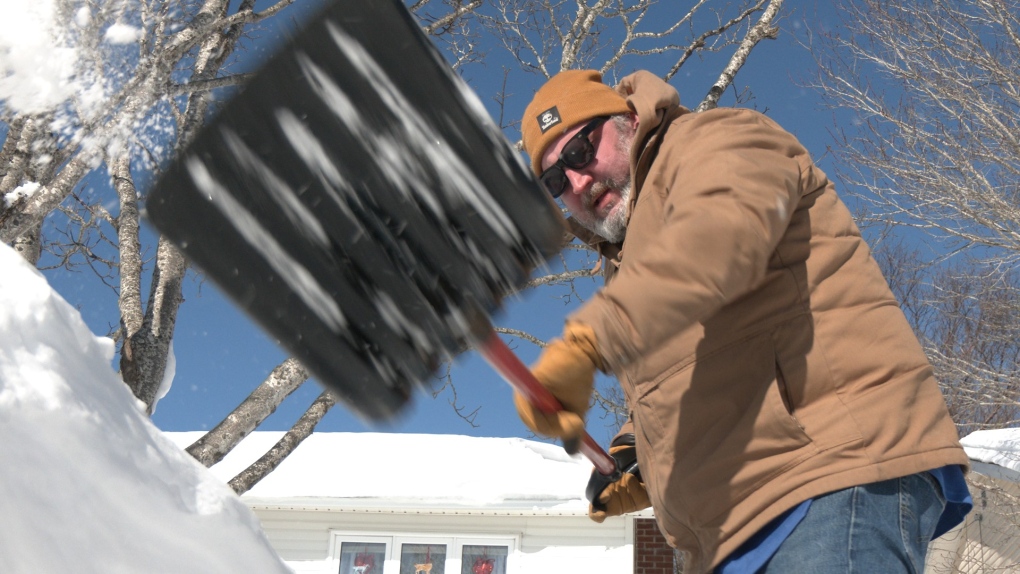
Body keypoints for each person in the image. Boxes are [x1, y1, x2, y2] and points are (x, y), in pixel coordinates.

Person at [512, 69, 973, 574]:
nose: (576, 181)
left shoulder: (715, 141)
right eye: (556, 180)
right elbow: (693, 366)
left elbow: (717, 241)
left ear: (627, 120)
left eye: (581, 150)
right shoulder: (625, 261)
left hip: (830, 473)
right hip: (732, 530)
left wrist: (590, 340)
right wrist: (634, 454)